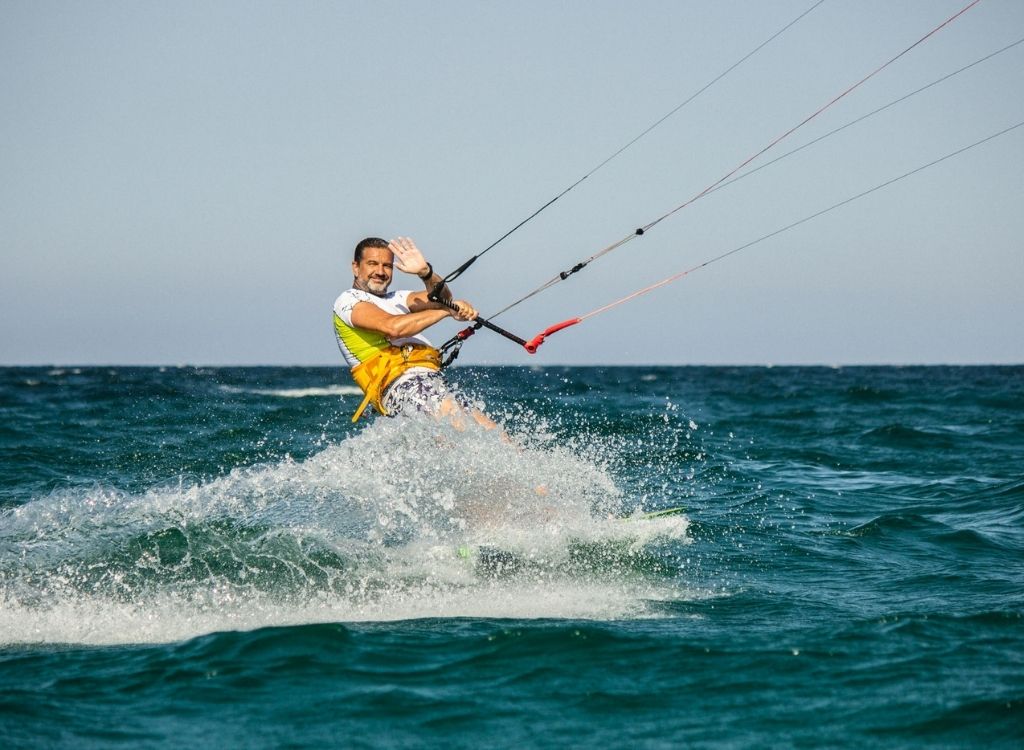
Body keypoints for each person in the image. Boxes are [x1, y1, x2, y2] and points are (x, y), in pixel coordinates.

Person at [333, 236, 495, 427]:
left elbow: (444, 298)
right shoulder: (348, 301)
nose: (380, 271)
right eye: (372, 264)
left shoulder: (399, 298)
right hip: (401, 385)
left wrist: (425, 273)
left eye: (387, 265)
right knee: (463, 431)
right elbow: (394, 328)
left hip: (431, 381)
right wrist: (446, 311)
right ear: (356, 267)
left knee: (493, 433)